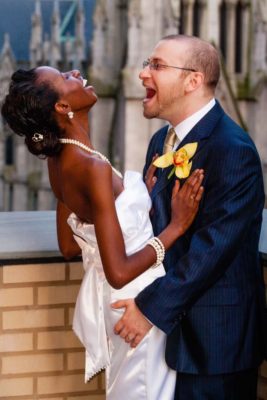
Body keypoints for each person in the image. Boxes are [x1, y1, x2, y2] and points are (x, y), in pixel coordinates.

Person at [1, 66, 204, 400]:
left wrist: (136, 203)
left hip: (115, 305)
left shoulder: (60, 160)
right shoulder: (89, 166)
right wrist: (176, 227)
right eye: (66, 77)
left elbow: (69, 245)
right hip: (138, 303)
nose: (76, 71)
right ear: (62, 108)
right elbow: (119, 271)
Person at [113, 34, 266, 400]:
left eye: (157, 65)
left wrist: (148, 310)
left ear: (193, 80)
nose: (142, 73)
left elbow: (211, 251)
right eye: (148, 63)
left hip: (214, 344)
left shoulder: (234, 151)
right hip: (171, 336)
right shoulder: (160, 143)